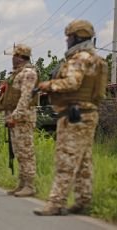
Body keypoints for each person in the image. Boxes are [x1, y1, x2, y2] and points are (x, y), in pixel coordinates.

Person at [34, 20, 107, 216]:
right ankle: (83, 200)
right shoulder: (96, 60)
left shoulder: (79, 58)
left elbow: (72, 83)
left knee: (65, 158)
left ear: (76, 37)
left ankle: (56, 202)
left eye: (69, 36)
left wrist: (48, 85)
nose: (67, 40)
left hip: (75, 114)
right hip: (88, 114)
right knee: (84, 160)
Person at [1, 44, 38, 197]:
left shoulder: (28, 73)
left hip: (23, 119)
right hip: (15, 119)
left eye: (14, 55)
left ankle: (30, 185)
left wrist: (15, 116)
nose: (12, 58)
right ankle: (22, 184)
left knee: (26, 151)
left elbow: (25, 97)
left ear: (20, 57)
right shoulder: (17, 74)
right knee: (19, 152)